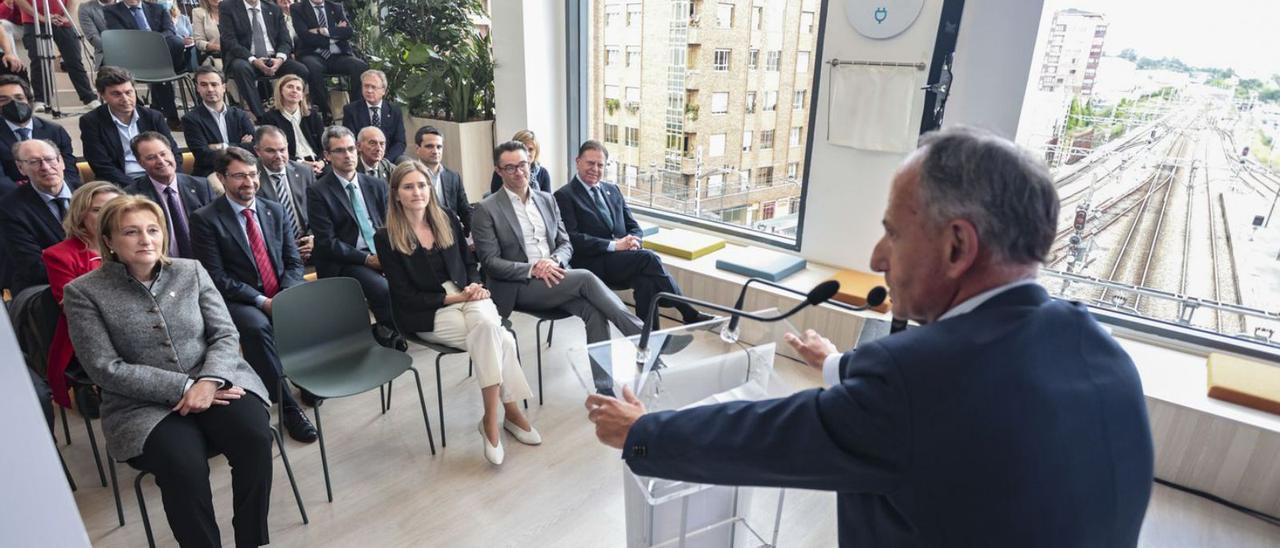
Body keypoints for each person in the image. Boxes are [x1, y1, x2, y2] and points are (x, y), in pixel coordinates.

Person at [585, 127, 1155, 547]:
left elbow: (771, 438)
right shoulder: (1101, 349)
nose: (878, 257)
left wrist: (645, 431)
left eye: (892, 233)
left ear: (958, 246)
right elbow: (921, 413)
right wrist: (837, 365)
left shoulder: (914, 381)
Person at [63, 195, 275, 548]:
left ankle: (251, 540)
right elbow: (105, 368)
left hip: (216, 380)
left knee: (255, 438)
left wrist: (207, 381)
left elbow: (225, 333)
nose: (145, 240)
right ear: (110, 241)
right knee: (183, 466)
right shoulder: (84, 292)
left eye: (152, 230)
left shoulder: (190, 270)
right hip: (139, 404)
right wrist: (185, 387)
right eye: (131, 232)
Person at [375, 161, 538, 465]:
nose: (417, 192)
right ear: (396, 194)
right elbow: (405, 296)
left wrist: (475, 286)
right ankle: (507, 414)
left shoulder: (446, 218)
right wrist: (457, 298)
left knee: (489, 330)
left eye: (422, 185)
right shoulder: (386, 237)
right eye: (408, 187)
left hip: (467, 295)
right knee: (498, 336)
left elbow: (470, 264)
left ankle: (492, 419)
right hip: (428, 309)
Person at [190, 147, 317, 442]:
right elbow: (216, 276)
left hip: (280, 288)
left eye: (252, 174)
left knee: (307, 305)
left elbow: (293, 260)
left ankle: (305, 375)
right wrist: (263, 301)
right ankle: (286, 406)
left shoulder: (274, 208)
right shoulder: (205, 218)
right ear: (221, 178)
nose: (248, 182)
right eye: (238, 176)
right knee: (257, 328)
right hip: (241, 298)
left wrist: (285, 295)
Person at [473, 141, 642, 344]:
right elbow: (491, 262)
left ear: (530, 163)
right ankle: (644, 338)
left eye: (522, 164)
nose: (518, 172)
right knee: (586, 277)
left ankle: (604, 377)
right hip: (519, 285)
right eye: (510, 167)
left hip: (557, 276)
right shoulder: (486, 209)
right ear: (498, 171)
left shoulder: (547, 200)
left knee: (596, 313)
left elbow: (566, 243)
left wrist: (553, 260)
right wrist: (533, 269)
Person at [555, 141, 711, 326]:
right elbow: (573, 239)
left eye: (600, 165)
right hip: (593, 264)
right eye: (590, 163)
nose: (595, 169)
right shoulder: (564, 195)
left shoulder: (612, 190)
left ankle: (648, 341)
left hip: (623, 260)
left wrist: (634, 241)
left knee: (645, 282)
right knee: (649, 258)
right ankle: (688, 312)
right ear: (578, 161)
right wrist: (615, 245)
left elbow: (633, 226)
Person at [306, 125, 403, 350]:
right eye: (339, 151)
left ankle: (392, 329)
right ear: (327, 156)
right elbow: (327, 242)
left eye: (351, 149)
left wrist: (389, 254)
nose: (347, 155)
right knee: (383, 289)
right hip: (346, 261)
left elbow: (391, 225)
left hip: (380, 251)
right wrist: (367, 259)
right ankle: (392, 332)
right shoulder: (318, 191)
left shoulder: (376, 184)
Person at [42, 181, 121, 416]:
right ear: (80, 215)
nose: (108, 214)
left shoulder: (133, 242)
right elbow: (74, 310)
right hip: (91, 335)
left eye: (115, 206)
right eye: (98, 210)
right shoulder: (59, 255)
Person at [0, 139, 81, 293]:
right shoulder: (9, 209)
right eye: (34, 162)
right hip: (44, 286)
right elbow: (33, 266)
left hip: (99, 277)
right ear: (21, 168)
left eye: (50, 159)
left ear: (61, 161)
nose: (45, 167)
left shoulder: (90, 194)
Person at [80, 67, 180, 187]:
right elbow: (101, 165)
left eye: (129, 92)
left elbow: (173, 151)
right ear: (102, 95)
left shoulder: (153, 117)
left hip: (159, 177)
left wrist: (172, 178)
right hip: (120, 183)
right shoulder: (91, 122)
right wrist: (136, 187)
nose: (125, 99)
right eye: (116, 94)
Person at [124, 131, 215, 259]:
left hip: (206, 263)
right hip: (162, 265)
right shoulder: (132, 196)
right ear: (141, 163)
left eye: (163, 154)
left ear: (172, 153)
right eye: (151, 158)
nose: (161, 161)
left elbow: (218, 230)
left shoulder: (201, 186)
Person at [218, 0, 310, 120]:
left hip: (273, 57)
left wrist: (280, 59)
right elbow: (229, 40)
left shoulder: (273, 8)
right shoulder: (228, 7)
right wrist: (253, 60)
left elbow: (285, 40)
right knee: (240, 68)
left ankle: (291, 111)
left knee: (301, 70)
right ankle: (262, 117)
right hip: (245, 58)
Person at [103, 0, 189, 126]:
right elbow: (121, 37)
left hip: (160, 52)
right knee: (161, 70)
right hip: (133, 56)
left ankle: (160, 107)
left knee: (175, 42)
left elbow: (169, 31)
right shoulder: (111, 11)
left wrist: (154, 42)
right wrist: (149, 43)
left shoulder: (158, 9)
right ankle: (169, 114)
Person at [0, 74, 79, 196]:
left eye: (19, 98)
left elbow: (70, 172)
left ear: (28, 100)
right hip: (14, 201)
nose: (14, 104)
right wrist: (36, 198)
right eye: (4, 100)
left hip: (59, 194)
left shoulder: (54, 130)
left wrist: (60, 192)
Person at [14, 0, 98, 110]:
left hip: (61, 19)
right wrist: (41, 17)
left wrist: (66, 16)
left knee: (73, 59)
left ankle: (89, 98)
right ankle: (41, 99)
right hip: (33, 20)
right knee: (39, 60)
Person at [289, 0, 366, 118]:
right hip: (312, 54)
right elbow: (305, 36)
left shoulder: (336, 7)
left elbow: (348, 32)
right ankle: (324, 112)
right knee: (313, 68)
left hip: (338, 55)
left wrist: (322, 31)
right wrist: (335, 35)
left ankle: (356, 110)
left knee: (359, 66)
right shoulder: (298, 8)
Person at [253, 124, 314, 262]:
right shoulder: (251, 178)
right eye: (271, 151)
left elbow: (318, 211)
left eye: (282, 149)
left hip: (308, 245)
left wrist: (312, 237)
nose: (279, 156)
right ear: (257, 151)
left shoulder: (305, 172)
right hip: (273, 252)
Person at [181, 66, 255, 176]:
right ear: (197, 88)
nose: (210, 89)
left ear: (224, 87)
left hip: (242, 171)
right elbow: (203, 156)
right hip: (211, 173)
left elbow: (254, 147)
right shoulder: (190, 119)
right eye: (204, 85)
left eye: (214, 84)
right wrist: (240, 146)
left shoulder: (240, 115)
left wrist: (221, 146)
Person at [257, 73, 325, 174]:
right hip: (289, 163)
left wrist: (321, 162)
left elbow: (324, 145)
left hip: (317, 162)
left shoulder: (313, 116)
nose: (294, 91)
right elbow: (274, 150)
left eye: (298, 89)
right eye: (290, 87)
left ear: (302, 96)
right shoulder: (270, 118)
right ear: (280, 91)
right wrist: (302, 163)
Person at [412, 125, 470, 236]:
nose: (435, 151)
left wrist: (472, 233)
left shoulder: (453, 177)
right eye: (429, 146)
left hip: (452, 233)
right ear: (417, 149)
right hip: (422, 234)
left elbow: (465, 209)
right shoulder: (410, 176)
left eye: (439, 147)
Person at [341, 69, 405, 161]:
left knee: (404, 160)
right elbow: (350, 140)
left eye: (373, 87)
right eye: (366, 86)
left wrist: (385, 160)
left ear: (384, 91)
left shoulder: (394, 111)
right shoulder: (351, 110)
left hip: (387, 158)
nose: (369, 90)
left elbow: (400, 142)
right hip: (362, 157)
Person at [489, 129, 550, 194]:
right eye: (523, 149)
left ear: (536, 151)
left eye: (531, 149)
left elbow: (545, 201)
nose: (527, 153)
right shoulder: (503, 170)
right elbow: (496, 198)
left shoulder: (543, 173)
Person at [78, 0, 115, 69]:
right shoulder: (86, 8)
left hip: (133, 52)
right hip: (105, 55)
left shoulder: (128, 3)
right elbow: (93, 37)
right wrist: (119, 49)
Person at [190, 0, 221, 65]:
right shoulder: (198, 13)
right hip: (213, 56)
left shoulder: (233, 10)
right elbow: (199, 42)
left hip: (236, 53)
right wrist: (218, 47)